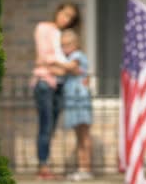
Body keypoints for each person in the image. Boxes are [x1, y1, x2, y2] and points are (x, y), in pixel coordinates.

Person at [32, 3, 80, 180]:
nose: (66, 19)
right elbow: (44, 57)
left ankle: (45, 165)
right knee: (45, 125)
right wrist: (67, 67)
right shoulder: (43, 28)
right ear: (58, 10)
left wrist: (64, 69)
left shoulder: (64, 35)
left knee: (51, 127)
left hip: (60, 85)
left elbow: (71, 60)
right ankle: (43, 167)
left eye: (71, 18)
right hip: (45, 83)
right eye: (65, 14)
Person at [51, 29, 94, 181]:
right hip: (73, 101)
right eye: (62, 45)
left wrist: (53, 62)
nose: (65, 48)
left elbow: (69, 68)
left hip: (80, 100)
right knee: (79, 136)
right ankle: (81, 168)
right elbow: (63, 72)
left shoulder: (77, 56)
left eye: (68, 44)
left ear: (76, 44)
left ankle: (86, 169)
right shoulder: (69, 60)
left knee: (84, 136)